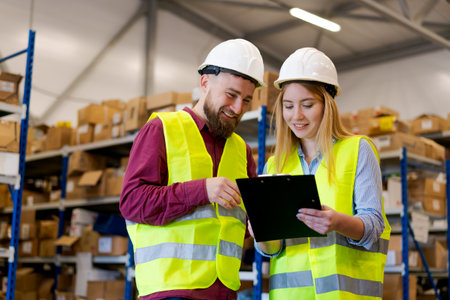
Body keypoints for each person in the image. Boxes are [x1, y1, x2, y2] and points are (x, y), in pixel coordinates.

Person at [119, 38, 265, 300]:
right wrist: (201, 190)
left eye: (246, 100)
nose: (238, 108)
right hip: (171, 291)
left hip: (225, 292)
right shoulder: (162, 128)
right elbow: (132, 203)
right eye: (231, 95)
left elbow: (243, 224)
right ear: (205, 83)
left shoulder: (241, 150)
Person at [250, 47, 391, 299]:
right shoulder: (276, 166)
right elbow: (273, 250)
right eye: (289, 106)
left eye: (307, 105)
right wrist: (262, 234)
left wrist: (337, 222)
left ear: (327, 105)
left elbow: (374, 226)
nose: (297, 116)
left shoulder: (357, 150)